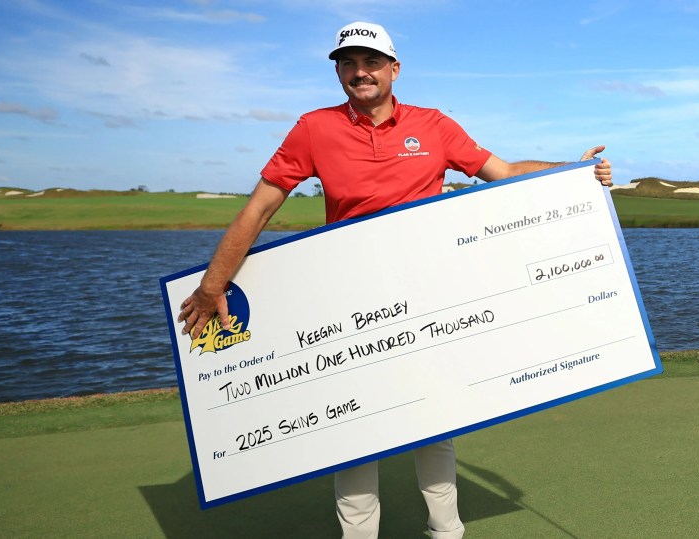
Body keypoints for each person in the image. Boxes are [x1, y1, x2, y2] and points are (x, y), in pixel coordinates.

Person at [178, 21, 612, 539]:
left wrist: (574, 173)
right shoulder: (314, 127)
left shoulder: (433, 125)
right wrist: (213, 284)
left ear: (393, 69)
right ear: (339, 71)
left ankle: (446, 531)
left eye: (371, 62)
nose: (359, 73)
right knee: (356, 427)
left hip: (428, 292)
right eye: (348, 63)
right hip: (347, 297)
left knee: (435, 418)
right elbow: (260, 208)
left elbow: (505, 172)